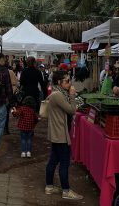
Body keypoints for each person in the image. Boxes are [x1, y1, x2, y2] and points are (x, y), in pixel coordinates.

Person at [45, 70, 83, 200]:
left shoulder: (58, 93)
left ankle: (49, 186)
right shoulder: (58, 95)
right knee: (64, 163)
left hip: (58, 133)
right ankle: (66, 190)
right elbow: (72, 110)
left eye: (69, 80)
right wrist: (72, 96)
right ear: (59, 82)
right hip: (60, 134)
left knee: (54, 160)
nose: (69, 83)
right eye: (67, 81)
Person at [4, 62, 19, 135]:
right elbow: (16, 82)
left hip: (5, 95)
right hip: (11, 94)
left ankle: (4, 128)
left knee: (4, 112)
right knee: (6, 112)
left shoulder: (3, 72)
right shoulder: (11, 72)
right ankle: (5, 129)